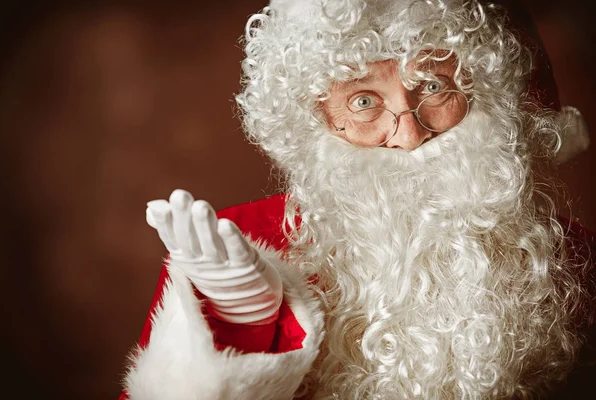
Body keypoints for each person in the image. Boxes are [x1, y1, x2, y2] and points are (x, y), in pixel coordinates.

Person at [120, 0, 594, 398]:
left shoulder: (574, 257)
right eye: (364, 101)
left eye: (432, 87)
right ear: (317, 116)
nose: (408, 135)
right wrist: (239, 323)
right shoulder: (234, 247)